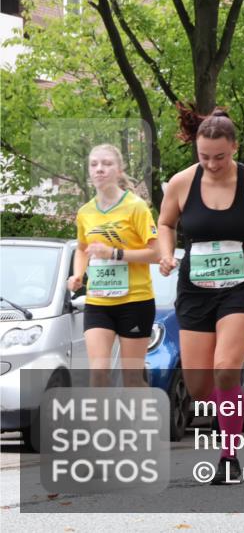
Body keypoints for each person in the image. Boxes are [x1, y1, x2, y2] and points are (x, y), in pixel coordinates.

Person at [158, 107, 244, 485]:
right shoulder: (182, 183)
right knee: (201, 384)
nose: (212, 164)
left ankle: (228, 454)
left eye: (219, 156)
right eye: (204, 156)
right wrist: (166, 254)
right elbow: (166, 224)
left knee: (225, 368)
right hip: (195, 288)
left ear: (234, 147)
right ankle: (228, 415)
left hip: (242, 287)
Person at [67, 144, 160, 388]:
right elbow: (81, 248)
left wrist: (115, 253)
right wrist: (78, 274)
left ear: (119, 170)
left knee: (131, 379)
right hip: (98, 302)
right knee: (98, 373)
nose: (99, 169)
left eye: (107, 164)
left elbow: (157, 254)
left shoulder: (136, 207)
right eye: (94, 164)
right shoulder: (85, 212)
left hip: (135, 301)